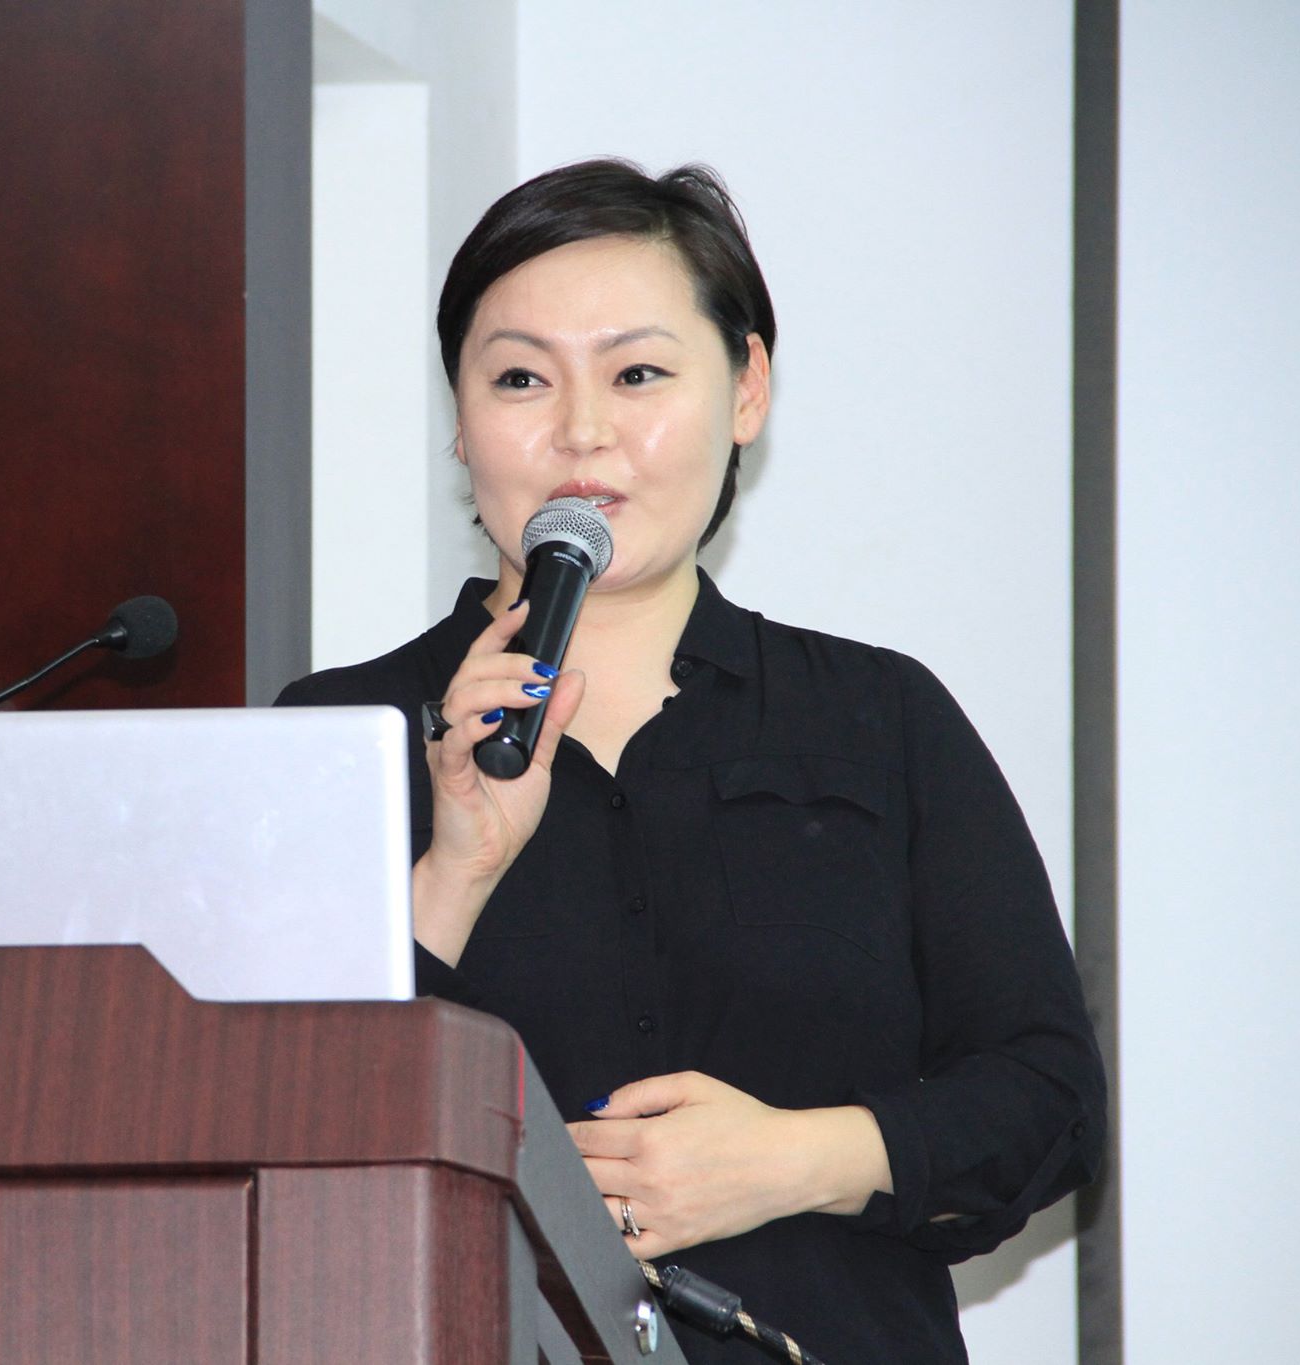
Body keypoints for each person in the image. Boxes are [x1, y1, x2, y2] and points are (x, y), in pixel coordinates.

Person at [277, 159, 1105, 1363]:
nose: (580, 431)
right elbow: (277, 1123)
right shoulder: (337, 736)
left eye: (637, 374)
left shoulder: (876, 718)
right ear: (458, 420)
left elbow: (1047, 1102)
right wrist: (451, 875)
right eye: (518, 378)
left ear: (746, 389)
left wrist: (790, 1159)